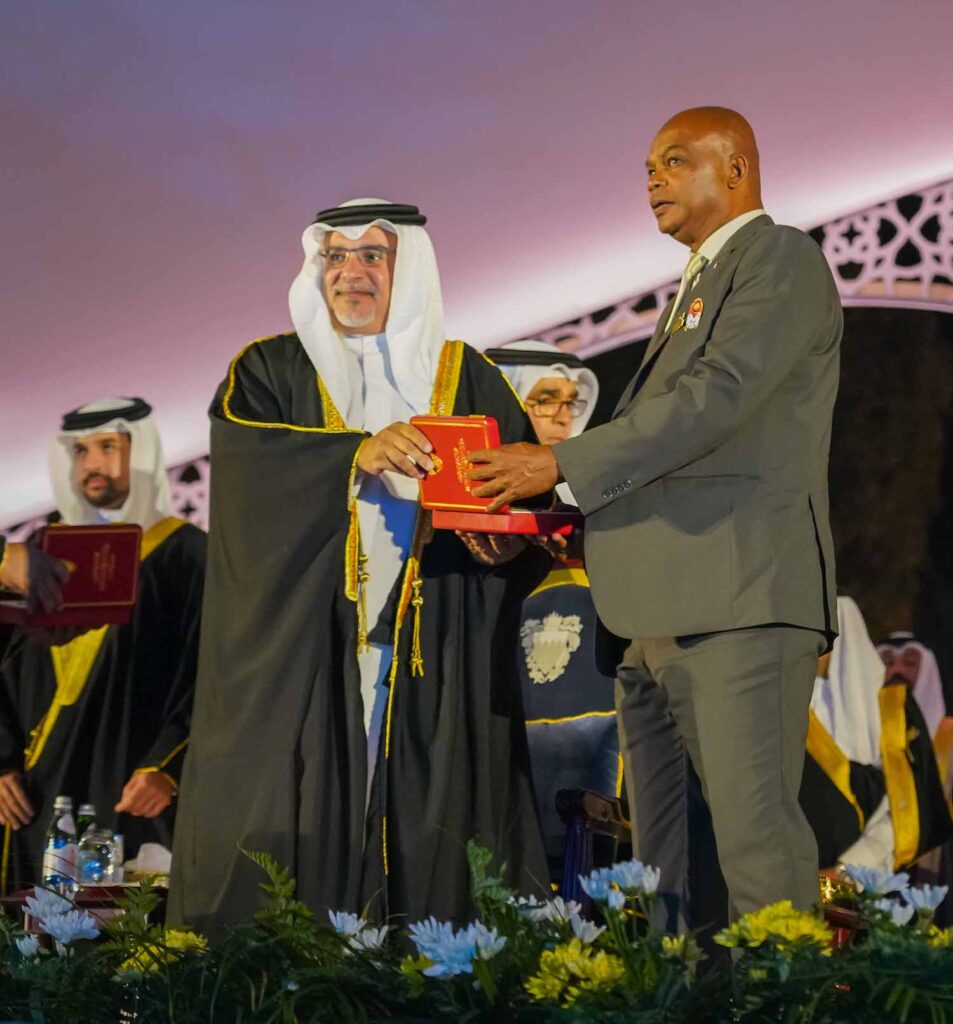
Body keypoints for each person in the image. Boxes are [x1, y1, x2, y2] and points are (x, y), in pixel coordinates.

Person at [468, 107, 842, 927]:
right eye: (646, 168)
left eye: (673, 161)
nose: (651, 180)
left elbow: (717, 399)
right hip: (654, 618)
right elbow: (666, 447)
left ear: (735, 168)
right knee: (668, 868)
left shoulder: (777, 257)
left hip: (735, 601)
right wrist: (541, 504)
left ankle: (784, 989)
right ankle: (680, 988)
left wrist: (560, 463)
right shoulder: (697, 286)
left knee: (752, 848)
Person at [168, 200, 551, 934]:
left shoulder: (467, 376)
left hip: (433, 654)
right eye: (335, 256)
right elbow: (248, 478)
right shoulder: (270, 369)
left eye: (373, 255)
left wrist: (505, 544)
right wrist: (355, 454)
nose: (351, 272)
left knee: (430, 832)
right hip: (308, 653)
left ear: (408, 268)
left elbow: (525, 499)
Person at [0, 398, 206, 889]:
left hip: (131, 781)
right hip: (32, 790)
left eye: (108, 447)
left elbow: (212, 670)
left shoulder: (186, 553)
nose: (93, 464)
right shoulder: (38, 556)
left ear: (142, 452)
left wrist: (167, 766)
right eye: (82, 451)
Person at [488, 341, 619, 873]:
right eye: (545, 400)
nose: (564, 416)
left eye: (571, 401)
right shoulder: (467, 511)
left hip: (593, 725)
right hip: (501, 709)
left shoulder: (602, 505)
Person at [802, 596, 951, 874]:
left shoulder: (893, 708)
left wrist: (849, 872)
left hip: (874, 880)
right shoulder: (787, 707)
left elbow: (906, 806)